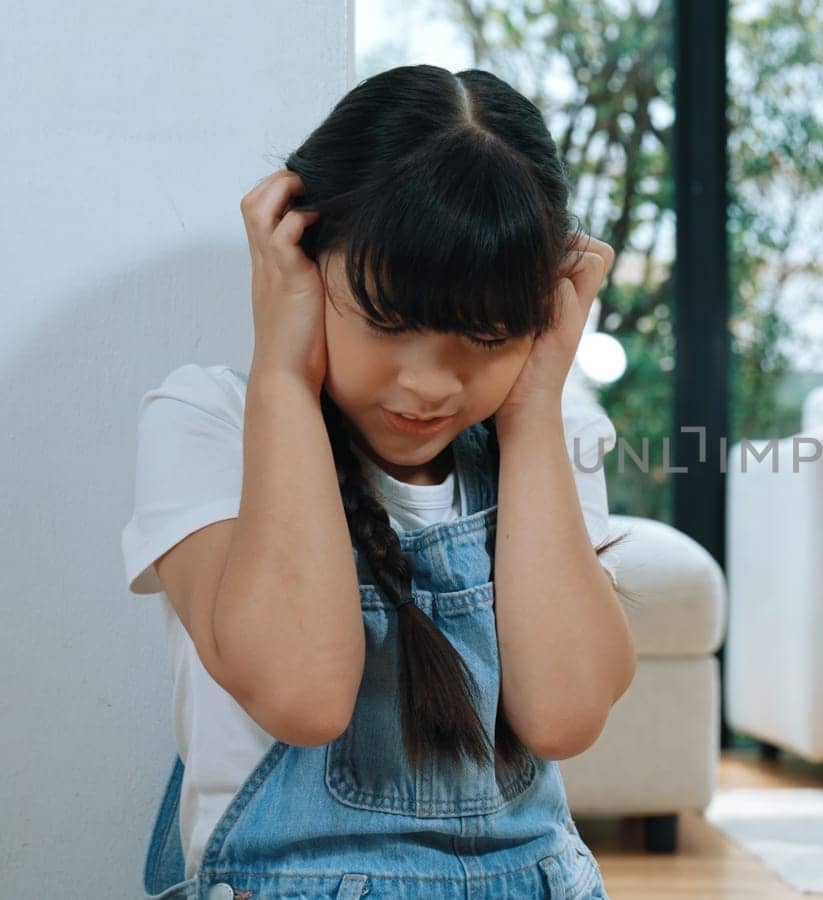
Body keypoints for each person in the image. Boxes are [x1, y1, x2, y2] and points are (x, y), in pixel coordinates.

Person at [121, 65, 633, 898]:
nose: (430, 384)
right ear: (304, 256)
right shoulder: (205, 420)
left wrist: (535, 403)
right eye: (390, 323)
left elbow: (566, 715)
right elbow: (304, 695)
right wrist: (284, 376)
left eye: (487, 336)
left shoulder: (545, 432)